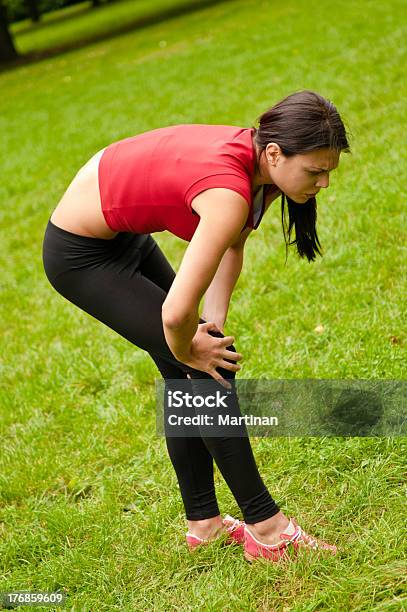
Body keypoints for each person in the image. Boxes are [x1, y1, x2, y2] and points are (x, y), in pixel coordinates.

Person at [42, 90, 350, 562]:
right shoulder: (229, 190)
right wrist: (194, 348)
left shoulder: (257, 167)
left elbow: (232, 244)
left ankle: (204, 523)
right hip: (82, 255)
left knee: (193, 367)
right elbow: (174, 315)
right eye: (315, 170)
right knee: (206, 372)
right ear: (274, 153)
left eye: (328, 170)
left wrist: (214, 325)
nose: (324, 183)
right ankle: (268, 529)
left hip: (125, 235)